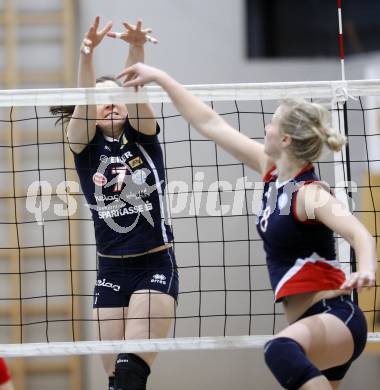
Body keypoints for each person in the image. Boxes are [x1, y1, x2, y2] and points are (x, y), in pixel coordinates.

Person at [118, 63, 377, 389]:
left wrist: (366, 268)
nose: (265, 128)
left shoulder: (309, 193)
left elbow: (359, 233)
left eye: (271, 123)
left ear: (284, 138)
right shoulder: (272, 172)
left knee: (279, 350)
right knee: (286, 352)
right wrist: (160, 77)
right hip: (310, 325)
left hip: (335, 316)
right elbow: (210, 123)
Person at [51, 18, 178, 390]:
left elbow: (136, 92)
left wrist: (137, 49)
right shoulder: (83, 148)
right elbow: (86, 102)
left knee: (129, 373)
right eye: (99, 97)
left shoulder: (143, 135)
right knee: (114, 382)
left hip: (154, 264)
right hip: (110, 271)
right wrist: (86, 54)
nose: (109, 102)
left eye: (115, 95)